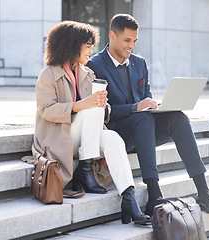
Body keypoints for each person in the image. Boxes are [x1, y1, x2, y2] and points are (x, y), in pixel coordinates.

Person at [87, 14, 209, 216]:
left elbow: (147, 100)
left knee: (178, 117)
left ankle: (204, 192)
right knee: (142, 117)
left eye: (134, 41)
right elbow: (101, 111)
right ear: (112, 35)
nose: (131, 46)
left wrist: (158, 107)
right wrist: (136, 107)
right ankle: (154, 195)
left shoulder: (139, 63)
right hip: (117, 134)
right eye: (127, 40)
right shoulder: (95, 66)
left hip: (143, 130)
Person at [32, 20, 150, 225]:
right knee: (92, 107)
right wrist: (82, 105)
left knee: (113, 138)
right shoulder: (48, 74)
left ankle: (129, 199)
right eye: (87, 45)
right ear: (71, 45)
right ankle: (85, 171)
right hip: (59, 136)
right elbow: (46, 110)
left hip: (85, 136)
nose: (91, 50)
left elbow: (101, 112)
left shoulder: (87, 73)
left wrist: (104, 106)